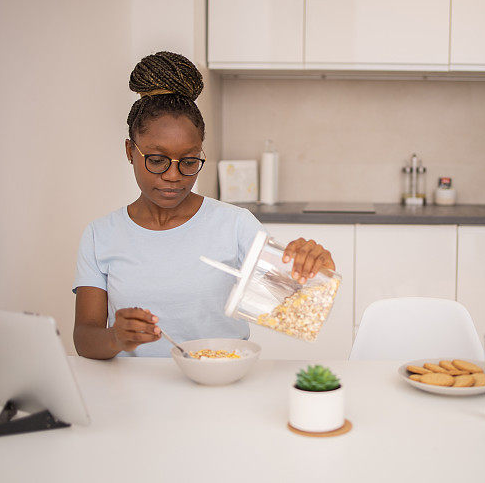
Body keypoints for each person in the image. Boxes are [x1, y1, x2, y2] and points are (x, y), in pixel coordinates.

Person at [72, 51, 335, 358]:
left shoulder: (235, 225)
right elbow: (84, 338)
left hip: (222, 385)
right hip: (134, 391)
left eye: (189, 161)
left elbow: (296, 311)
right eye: (157, 160)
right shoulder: (100, 235)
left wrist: (317, 272)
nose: (173, 176)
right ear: (131, 151)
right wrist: (115, 338)